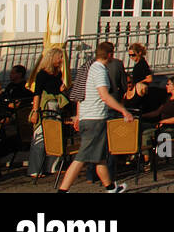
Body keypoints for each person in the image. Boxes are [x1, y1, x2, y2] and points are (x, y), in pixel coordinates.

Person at [56, 41, 130, 194]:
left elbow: (80, 94)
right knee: (81, 157)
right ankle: (62, 191)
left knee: (99, 158)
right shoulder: (100, 70)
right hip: (95, 119)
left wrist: (78, 116)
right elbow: (104, 96)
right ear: (110, 55)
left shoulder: (88, 68)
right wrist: (124, 110)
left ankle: (111, 188)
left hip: (87, 117)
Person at [27, 47, 68, 180]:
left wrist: (62, 89)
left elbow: (58, 89)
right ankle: (35, 169)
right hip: (45, 105)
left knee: (55, 135)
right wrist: (35, 111)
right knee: (40, 136)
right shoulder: (42, 74)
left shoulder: (58, 73)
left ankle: (53, 166)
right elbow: (37, 93)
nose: (61, 60)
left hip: (56, 104)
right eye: (59, 57)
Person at [138, 77, 174, 158]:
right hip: (161, 125)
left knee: (146, 133)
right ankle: (136, 153)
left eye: (168, 84)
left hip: (170, 128)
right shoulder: (168, 98)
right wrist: (142, 115)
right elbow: (157, 112)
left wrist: (163, 121)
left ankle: (147, 160)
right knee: (138, 126)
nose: (166, 86)